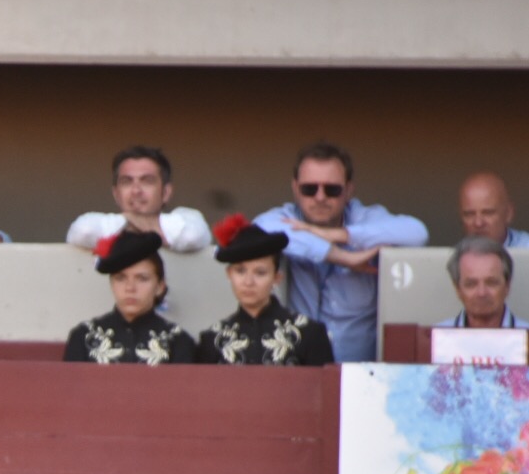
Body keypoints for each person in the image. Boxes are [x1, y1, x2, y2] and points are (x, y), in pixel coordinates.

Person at [253, 141, 428, 363]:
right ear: (295, 189)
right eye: (309, 189)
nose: (320, 197)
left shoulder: (363, 218)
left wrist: (339, 235)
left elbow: (417, 232)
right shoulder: (287, 218)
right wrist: (342, 257)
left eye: (332, 189)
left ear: (348, 190)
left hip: (360, 375)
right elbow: (259, 229)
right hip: (298, 372)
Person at [197, 216, 333, 366]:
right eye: (240, 271)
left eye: (260, 273)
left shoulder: (310, 333)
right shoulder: (212, 339)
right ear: (229, 274)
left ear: (277, 278)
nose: (248, 282)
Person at [63, 231, 195, 364]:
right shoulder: (84, 336)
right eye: (120, 278)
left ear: (160, 286)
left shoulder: (177, 340)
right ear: (112, 283)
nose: (130, 288)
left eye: (142, 279)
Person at [66, 146, 210, 253]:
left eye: (147, 181)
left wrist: (132, 222)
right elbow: (84, 231)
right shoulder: (97, 222)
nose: (136, 191)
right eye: (127, 182)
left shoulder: (187, 217)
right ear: (116, 194)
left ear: (166, 192)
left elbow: (192, 237)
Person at [435, 235, 529, 329]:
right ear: (458, 289)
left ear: (507, 286)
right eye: (471, 284)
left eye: (491, 283)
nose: (482, 293)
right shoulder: (436, 339)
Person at [457, 172, 529, 250]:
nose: (478, 223)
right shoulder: (453, 259)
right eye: (469, 214)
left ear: (509, 214)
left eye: (488, 213)